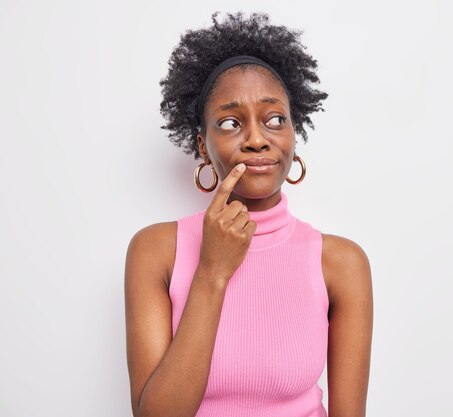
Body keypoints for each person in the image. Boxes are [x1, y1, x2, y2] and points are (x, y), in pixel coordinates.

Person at [124, 11, 373, 417]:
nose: (257, 139)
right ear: (203, 147)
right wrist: (212, 271)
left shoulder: (341, 264)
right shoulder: (155, 252)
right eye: (230, 122)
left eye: (276, 119)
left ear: (295, 132)